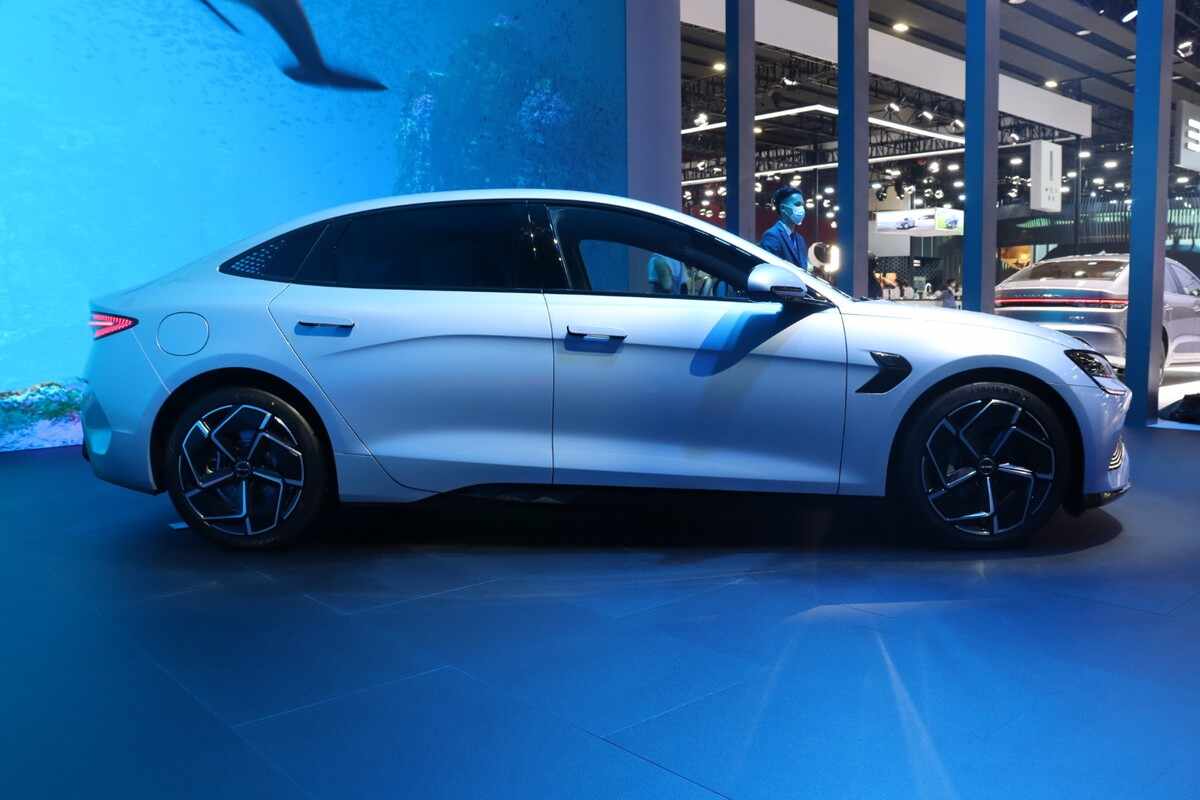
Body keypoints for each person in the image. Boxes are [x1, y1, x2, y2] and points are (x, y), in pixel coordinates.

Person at [760, 186, 809, 271]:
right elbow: (772, 270)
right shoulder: (772, 236)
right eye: (797, 204)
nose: (802, 209)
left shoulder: (800, 239)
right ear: (783, 208)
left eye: (802, 205)